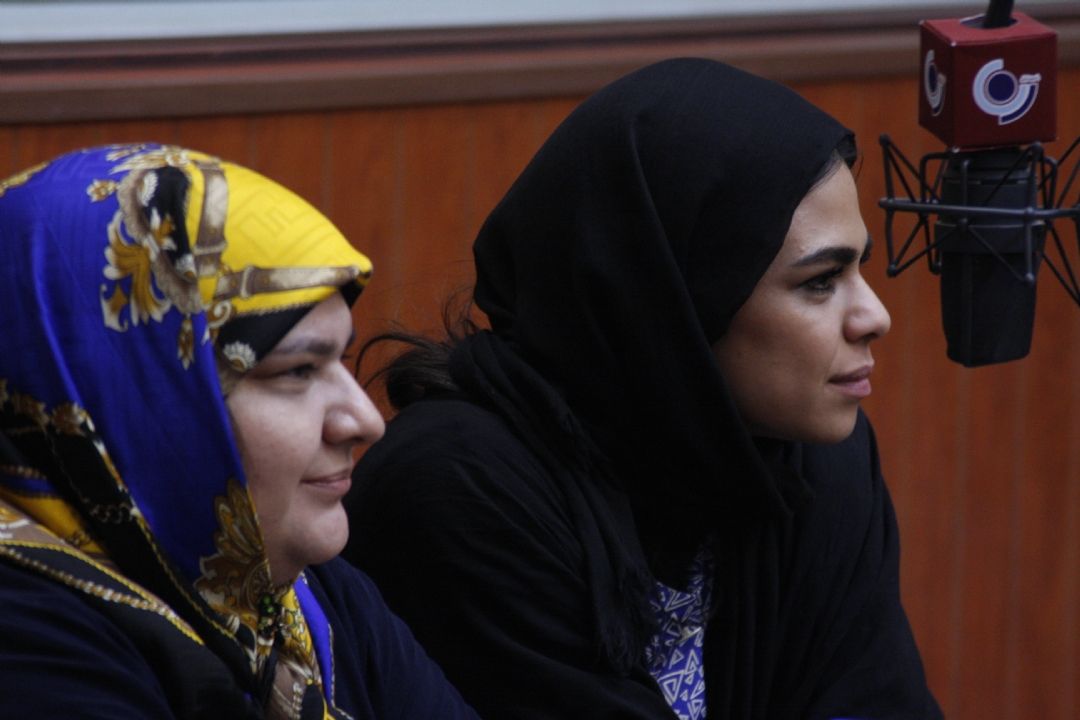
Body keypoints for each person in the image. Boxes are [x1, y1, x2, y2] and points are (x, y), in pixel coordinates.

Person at [343, 58, 943, 719]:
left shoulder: (811, 457)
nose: (875, 317)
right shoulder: (456, 488)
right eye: (820, 282)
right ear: (676, 301)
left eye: (859, 269)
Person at [0, 143, 479, 720]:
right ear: (146, 398)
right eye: (298, 371)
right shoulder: (27, 641)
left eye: (340, 360)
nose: (365, 420)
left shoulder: (296, 586)